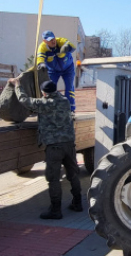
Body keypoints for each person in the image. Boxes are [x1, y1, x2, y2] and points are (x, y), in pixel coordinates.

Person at [9, 78, 83, 219]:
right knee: (73, 174)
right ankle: (78, 203)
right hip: (69, 144)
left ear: (44, 93)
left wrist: (17, 85)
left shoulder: (43, 103)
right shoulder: (65, 101)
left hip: (54, 147)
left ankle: (55, 210)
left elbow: (24, 100)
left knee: (53, 178)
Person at [36, 30, 76, 112]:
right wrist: (41, 64)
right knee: (50, 88)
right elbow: (40, 57)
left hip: (68, 69)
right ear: (45, 41)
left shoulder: (61, 41)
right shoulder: (42, 47)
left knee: (69, 87)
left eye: (53, 38)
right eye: (50, 40)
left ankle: (70, 109)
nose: (53, 41)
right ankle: (51, 108)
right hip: (53, 71)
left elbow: (73, 47)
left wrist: (67, 47)